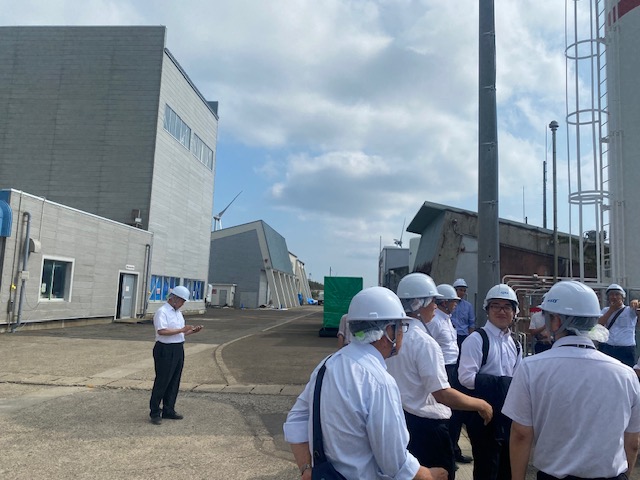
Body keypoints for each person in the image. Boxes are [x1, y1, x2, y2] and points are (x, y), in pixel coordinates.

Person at [283, 286, 448, 480]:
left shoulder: (327, 365)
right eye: (401, 327)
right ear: (389, 331)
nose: (402, 334)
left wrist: (306, 468)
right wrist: (428, 474)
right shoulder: (379, 381)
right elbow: (393, 462)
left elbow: (296, 418)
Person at [503, 280, 640, 480]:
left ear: (556, 321)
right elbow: (633, 442)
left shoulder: (531, 368)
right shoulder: (626, 374)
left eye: (548, 317)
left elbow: (521, 434)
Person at [390, 273, 493, 479]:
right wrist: (481, 405)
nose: (436, 306)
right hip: (427, 429)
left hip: (401, 421)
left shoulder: (392, 337)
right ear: (418, 304)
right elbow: (442, 394)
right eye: (432, 301)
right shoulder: (424, 342)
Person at [458, 283, 522, 480]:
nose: (501, 311)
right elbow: (466, 377)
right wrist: (502, 384)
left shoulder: (515, 344)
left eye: (507, 307)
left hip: (508, 413)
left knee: (507, 467)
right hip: (484, 413)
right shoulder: (477, 339)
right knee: (487, 468)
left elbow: (518, 380)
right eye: (496, 306)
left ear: (514, 312)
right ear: (487, 310)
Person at [427, 283, 473, 465]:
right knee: (449, 413)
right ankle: (448, 453)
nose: (456, 304)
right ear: (444, 302)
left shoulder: (446, 319)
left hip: (454, 368)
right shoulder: (435, 322)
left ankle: (454, 450)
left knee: (456, 415)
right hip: (444, 369)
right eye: (453, 301)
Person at [149, 285, 204, 425]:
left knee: (174, 380)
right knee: (162, 380)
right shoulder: (162, 312)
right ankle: (155, 412)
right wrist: (181, 330)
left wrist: (192, 331)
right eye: (182, 301)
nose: (182, 304)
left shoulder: (178, 313)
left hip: (178, 347)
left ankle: (169, 409)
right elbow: (162, 331)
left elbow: (180, 333)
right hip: (165, 349)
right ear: (174, 298)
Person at [598, 283, 639, 367]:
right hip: (609, 347)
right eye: (611, 295)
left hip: (626, 349)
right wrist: (611, 310)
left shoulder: (629, 310)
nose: (614, 297)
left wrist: (636, 303)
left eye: (617, 294)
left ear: (622, 297)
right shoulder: (605, 310)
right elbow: (599, 324)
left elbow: (637, 310)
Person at [451, 278, 476, 347]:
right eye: (461, 290)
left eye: (464, 291)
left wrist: (471, 339)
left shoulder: (468, 306)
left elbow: (471, 323)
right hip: (451, 335)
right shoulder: (448, 304)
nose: (463, 293)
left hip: (463, 336)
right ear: (455, 290)